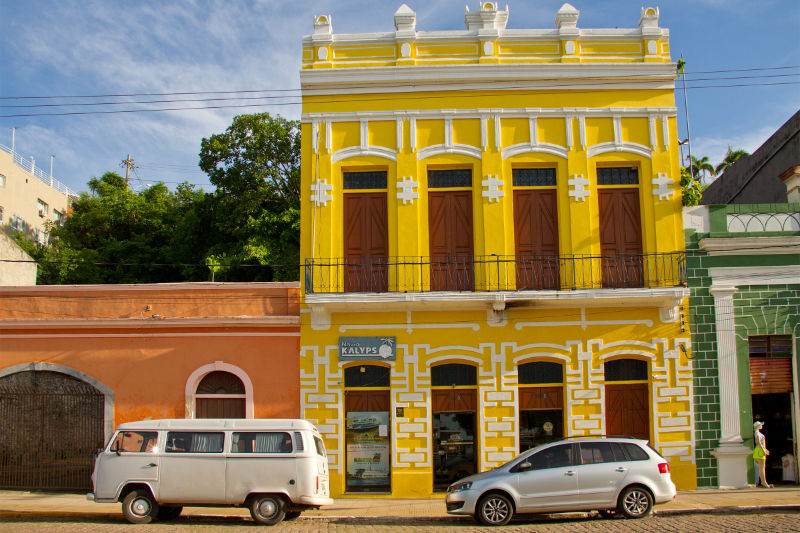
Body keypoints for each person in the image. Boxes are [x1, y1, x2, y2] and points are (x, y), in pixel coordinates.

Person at [753, 421, 772, 488]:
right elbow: (758, 442)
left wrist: (765, 449)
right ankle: (764, 482)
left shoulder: (758, 433)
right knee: (762, 468)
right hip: (759, 450)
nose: (762, 426)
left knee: (761, 467)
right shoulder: (757, 433)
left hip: (760, 450)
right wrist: (763, 449)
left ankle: (763, 482)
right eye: (760, 425)